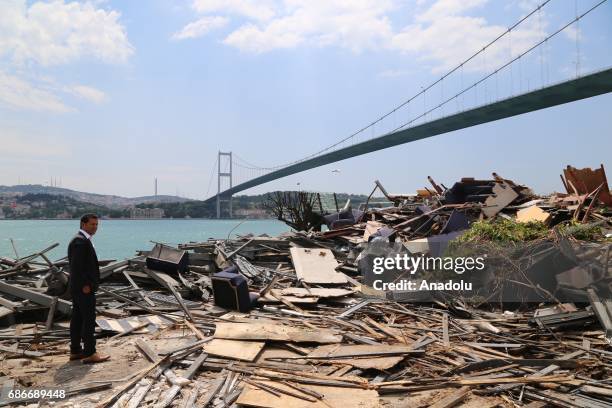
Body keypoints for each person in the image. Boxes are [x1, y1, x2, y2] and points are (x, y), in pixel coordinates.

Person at [67, 213, 110, 364]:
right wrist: (86, 285)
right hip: (83, 289)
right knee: (88, 320)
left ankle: (75, 351)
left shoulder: (80, 240)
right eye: (92, 224)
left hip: (78, 288)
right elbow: (77, 267)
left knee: (77, 319)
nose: (95, 227)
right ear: (83, 224)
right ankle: (90, 352)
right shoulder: (81, 242)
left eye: (97, 224)